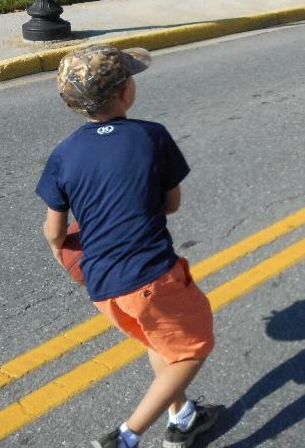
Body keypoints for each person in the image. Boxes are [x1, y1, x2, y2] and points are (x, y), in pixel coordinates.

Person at [36, 44, 221, 448]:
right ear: (125, 92)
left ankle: (183, 415)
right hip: (152, 275)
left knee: (161, 343)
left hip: (104, 288)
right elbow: (172, 204)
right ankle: (126, 436)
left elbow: (54, 231)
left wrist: (60, 254)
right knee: (194, 346)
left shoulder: (63, 154)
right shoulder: (150, 136)